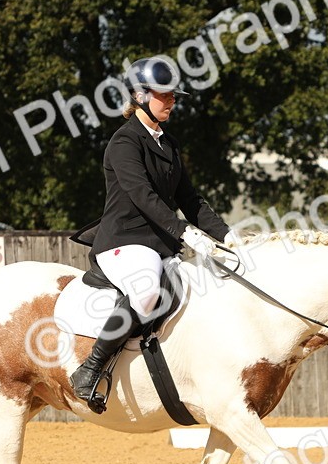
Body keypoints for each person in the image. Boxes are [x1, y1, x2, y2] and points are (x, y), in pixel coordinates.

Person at [68, 56, 237, 413]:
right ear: (141, 96)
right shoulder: (124, 143)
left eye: (174, 95)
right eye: (165, 95)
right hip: (124, 241)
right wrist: (185, 232)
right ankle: (89, 370)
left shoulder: (169, 144)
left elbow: (190, 199)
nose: (172, 101)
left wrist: (228, 235)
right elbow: (142, 196)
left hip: (162, 242)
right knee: (145, 292)